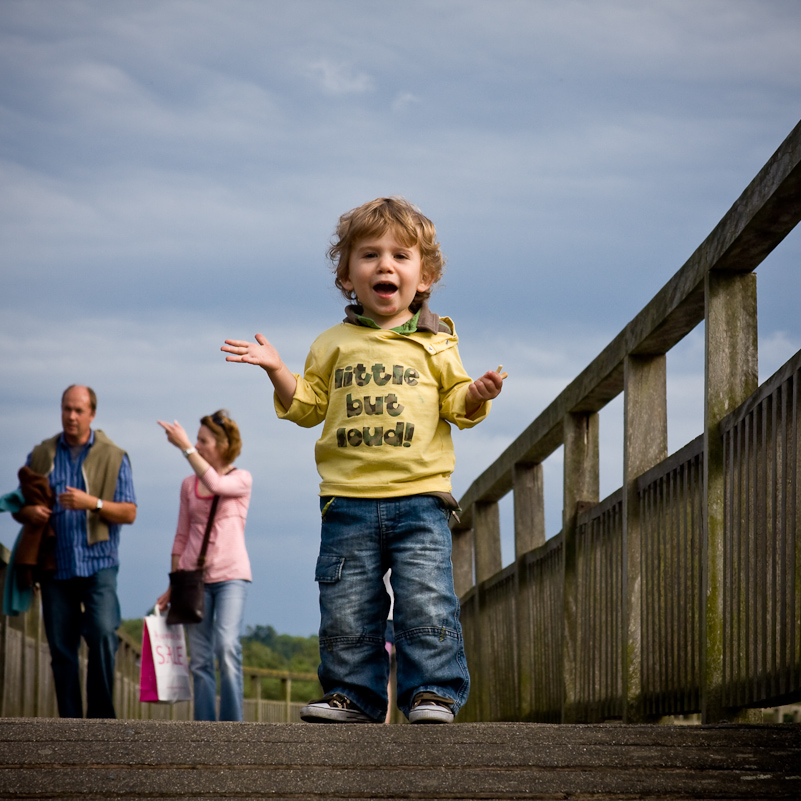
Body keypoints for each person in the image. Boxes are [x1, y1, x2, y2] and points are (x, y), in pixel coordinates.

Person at [221, 196, 504, 724]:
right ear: (347, 276)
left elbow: (455, 405)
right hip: (347, 500)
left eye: (401, 256)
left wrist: (478, 394)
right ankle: (354, 694)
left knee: (426, 600)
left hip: (420, 497)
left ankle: (433, 691)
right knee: (348, 604)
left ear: (423, 277)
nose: (385, 265)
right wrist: (277, 370)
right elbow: (306, 407)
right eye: (370, 255)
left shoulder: (436, 343)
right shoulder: (331, 344)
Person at [13, 385, 137, 718]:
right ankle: (69, 725)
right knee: (61, 648)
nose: (71, 416)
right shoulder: (42, 455)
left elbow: (129, 512)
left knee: (101, 634)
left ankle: (101, 722)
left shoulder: (115, 456)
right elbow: (20, 505)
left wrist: (92, 503)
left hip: (99, 563)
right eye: (66, 409)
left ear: (92, 414)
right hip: (55, 563)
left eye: (78, 410)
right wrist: (29, 513)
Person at [157, 410, 252, 722]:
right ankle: (205, 731)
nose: (196, 445)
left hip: (231, 577)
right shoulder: (188, 485)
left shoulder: (241, 479)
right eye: (195, 440)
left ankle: (233, 729)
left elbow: (215, 484)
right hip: (193, 579)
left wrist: (184, 447)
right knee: (199, 659)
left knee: (226, 646)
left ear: (223, 445)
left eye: (203, 441)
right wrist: (173, 584)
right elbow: (181, 536)